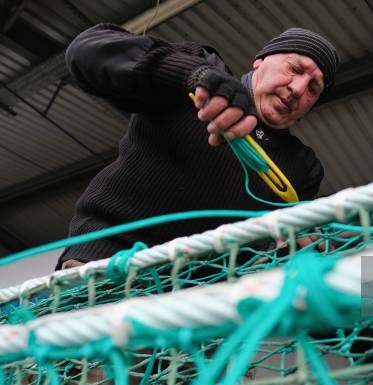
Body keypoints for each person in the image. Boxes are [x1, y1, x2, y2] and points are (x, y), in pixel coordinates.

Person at [56, 25, 338, 269]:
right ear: (259, 61)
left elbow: (295, 246)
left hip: (199, 307)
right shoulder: (201, 68)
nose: (299, 88)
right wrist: (190, 76)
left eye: (313, 88)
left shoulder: (304, 166)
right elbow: (84, 52)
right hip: (105, 267)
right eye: (295, 68)